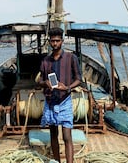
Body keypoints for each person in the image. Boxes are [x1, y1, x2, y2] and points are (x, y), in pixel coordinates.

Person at [38, 27, 81, 163]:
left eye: (57, 41)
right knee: (53, 135)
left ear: (62, 41)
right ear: (49, 42)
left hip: (65, 101)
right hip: (50, 102)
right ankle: (57, 161)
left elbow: (79, 79)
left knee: (67, 136)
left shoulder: (71, 58)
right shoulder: (45, 61)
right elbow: (39, 81)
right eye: (52, 41)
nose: (55, 43)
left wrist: (67, 87)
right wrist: (45, 83)